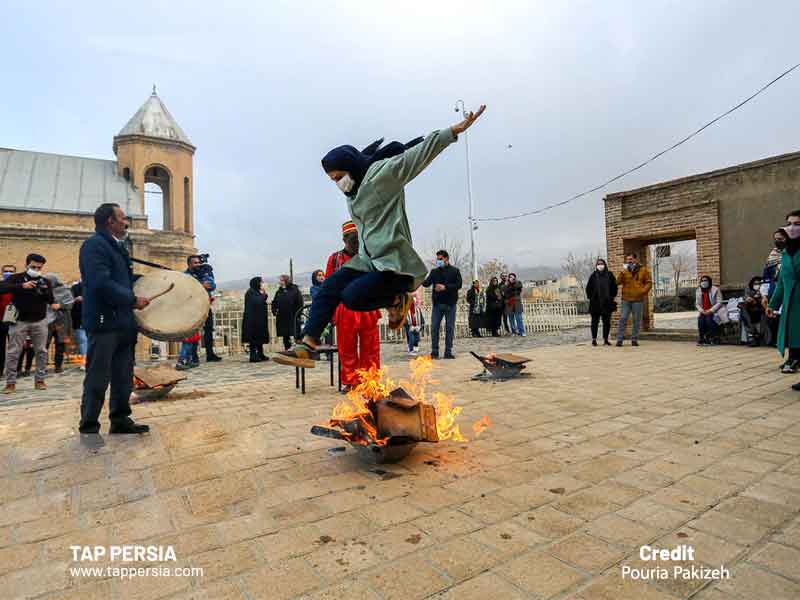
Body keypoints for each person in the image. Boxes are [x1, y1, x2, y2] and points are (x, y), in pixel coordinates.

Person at [275, 105, 486, 367]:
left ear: (350, 168)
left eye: (339, 177)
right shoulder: (352, 192)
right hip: (368, 260)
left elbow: (415, 156)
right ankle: (308, 345)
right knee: (329, 287)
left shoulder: (381, 176)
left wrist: (453, 131)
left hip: (393, 264)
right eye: (333, 180)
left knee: (353, 297)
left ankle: (399, 298)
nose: (338, 184)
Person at [78, 203, 151, 435]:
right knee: (98, 377)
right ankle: (89, 425)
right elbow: (100, 283)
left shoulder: (117, 247)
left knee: (122, 376)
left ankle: (120, 419)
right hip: (104, 322)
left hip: (123, 323)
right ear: (110, 221)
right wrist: (132, 299)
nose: (126, 222)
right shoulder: (94, 246)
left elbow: (122, 279)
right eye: (122, 218)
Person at [325, 221, 381, 390]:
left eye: (359, 240)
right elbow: (329, 285)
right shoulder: (335, 259)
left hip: (368, 306)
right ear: (345, 240)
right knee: (347, 347)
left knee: (371, 347)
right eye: (353, 240)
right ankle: (350, 381)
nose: (356, 244)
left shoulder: (370, 256)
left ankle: (370, 380)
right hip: (345, 308)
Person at [1, 254, 56, 393]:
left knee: (42, 351)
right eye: (33, 267)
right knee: (14, 352)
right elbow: (2, 287)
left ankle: (40, 380)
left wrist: (43, 291)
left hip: (40, 321)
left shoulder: (45, 281)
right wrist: (21, 286)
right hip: (19, 321)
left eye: (39, 267)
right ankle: (10, 383)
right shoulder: (16, 278)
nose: (36, 269)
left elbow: (51, 300)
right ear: (26, 265)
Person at [768, 211, 800, 384]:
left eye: (798, 224)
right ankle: (793, 360)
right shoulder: (787, 253)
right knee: (796, 338)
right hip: (791, 303)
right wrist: (773, 304)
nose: (793, 228)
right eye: (790, 223)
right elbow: (782, 282)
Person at [422, 250, 463, 359]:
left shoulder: (455, 271)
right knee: (434, 327)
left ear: (446, 259)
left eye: (440, 259)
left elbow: (459, 285)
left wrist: (445, 287)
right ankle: (434, 351)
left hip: (450, 304)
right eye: (437, 259)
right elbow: (426, 283)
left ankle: (448, 351)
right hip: (437, 305)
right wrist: (418, 276)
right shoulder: (434, 272)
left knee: (449, 328)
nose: (438, 261)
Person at [186, 255, 222, 362]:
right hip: (193, 307)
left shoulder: (204, 272)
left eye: (198, 262)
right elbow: (188, 289)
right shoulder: (186, 275)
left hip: (205, 305)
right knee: (192, 331)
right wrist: (201, 285)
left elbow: (212, 285)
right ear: (189, 264)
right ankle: (193, 356)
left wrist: (201, 284)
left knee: (209, 330)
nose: (198, 265)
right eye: (195, 263)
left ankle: (210, 354)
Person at [615, 253, 652, 347]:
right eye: (627, 259)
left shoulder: (643, 270)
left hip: (638, 299)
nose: (629, 261)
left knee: (637, 320)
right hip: (626, 299)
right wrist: (621, 273)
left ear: (636, 259)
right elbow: (617, 282)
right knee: (623, 318)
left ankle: (634, 339)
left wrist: (642, 292)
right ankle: (619, 339)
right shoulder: (625, 270)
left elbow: (649, 282)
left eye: (630, 259)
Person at [45, 274, 75, 374]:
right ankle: (42, 366)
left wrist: (61, 305)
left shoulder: (65, 290)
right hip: (46, 321)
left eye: (49, 281)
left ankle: (58, 366)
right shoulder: (44, 290)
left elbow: (71, 302)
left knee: (60, 344)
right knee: (44, 344)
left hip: (61, 321)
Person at [763, 229, 787, 349]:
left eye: (781, 239)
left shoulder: (793, 254)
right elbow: (766, 277)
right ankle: (776, 340)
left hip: (789, 291)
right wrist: (764, 295)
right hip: (774, 291)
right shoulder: (772, 256)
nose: (778, 241)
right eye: (776, 239)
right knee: (773, 318)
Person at [585, 258, 618, 346]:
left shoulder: (610, 275)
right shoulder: (593, 275)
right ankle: (594, 339)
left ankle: (606, 339)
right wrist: (591, 297)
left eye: (602, 264)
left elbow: (614, 287)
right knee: (594, 322)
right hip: (595, 303)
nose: (600, 265)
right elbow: (588, 288)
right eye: (598, 264)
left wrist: (612, 297)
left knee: (606, 322)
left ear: (605, 265)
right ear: (596, 266)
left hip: (607, 303)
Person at [241, 276, 270, 363]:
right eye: (261, 282)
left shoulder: (255, 292)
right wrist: (264, 295)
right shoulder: (251, 292)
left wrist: (263, 295)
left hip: (258, 319)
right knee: (254, 338)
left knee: (259, 337)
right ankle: (253, 355)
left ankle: (260, 354)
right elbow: (257, 301)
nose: (262, 284)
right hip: (253, 320)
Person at [272, 275, 303, 351]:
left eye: (281, 280)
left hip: (293, 316)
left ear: (286, 281)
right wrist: (274, 310)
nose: (280, 282)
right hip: (282, 317)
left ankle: (297, 351)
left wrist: (298, 314)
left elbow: (299, 303)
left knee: (295, 334)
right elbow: (275, 302)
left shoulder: (295, 290)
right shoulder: (279, 291)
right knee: (285, 335)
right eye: (280, 280)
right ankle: (287, 349)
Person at [696, 275, 724, 346]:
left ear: (709, 281)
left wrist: (711, 310)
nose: (703, 282)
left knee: (709, 319)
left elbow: (719, 302)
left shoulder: (715, 290)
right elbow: (697, 304)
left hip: (714, 311)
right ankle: (702, 338)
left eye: (705, 280)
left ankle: (713, 338)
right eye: (702, 281)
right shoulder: (698, 290)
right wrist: (701, 310)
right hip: (704, 311)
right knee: (700, 320)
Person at [740, 276, 766, 346]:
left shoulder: (764, 289)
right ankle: (754, 335)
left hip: (762, 309)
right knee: (744, 312)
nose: (757, 285)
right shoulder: (749, 289)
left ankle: (758, 335)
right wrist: (749, 299)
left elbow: (765, 300)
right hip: (751, 310)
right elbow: (745, 297)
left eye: (759, 283)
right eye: (755, 283)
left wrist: (759, 298)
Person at [0, 264, 16, 376]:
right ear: (2, 273)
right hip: (0, 321)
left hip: (15, 322)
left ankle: (14, 371)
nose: (8, 273)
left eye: (11, 271)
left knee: (15, 348)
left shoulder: (19, 286)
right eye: (6, 271)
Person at [70, 278, 87, 369]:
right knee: (83, 340)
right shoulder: (75, 287)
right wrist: (75, 299)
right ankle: (84, 362)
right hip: (79, 317)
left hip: (93, 318)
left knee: (92, 340)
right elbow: (68, 301)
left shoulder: (96, 286)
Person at [403, 290, 423, 354]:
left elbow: (421, 317)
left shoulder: (417, 309)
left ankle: (415, 346)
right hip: (409, 324)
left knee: (417, 337)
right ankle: (410, 349)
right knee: (411, 337)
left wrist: (420, 326)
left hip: (416, 324)